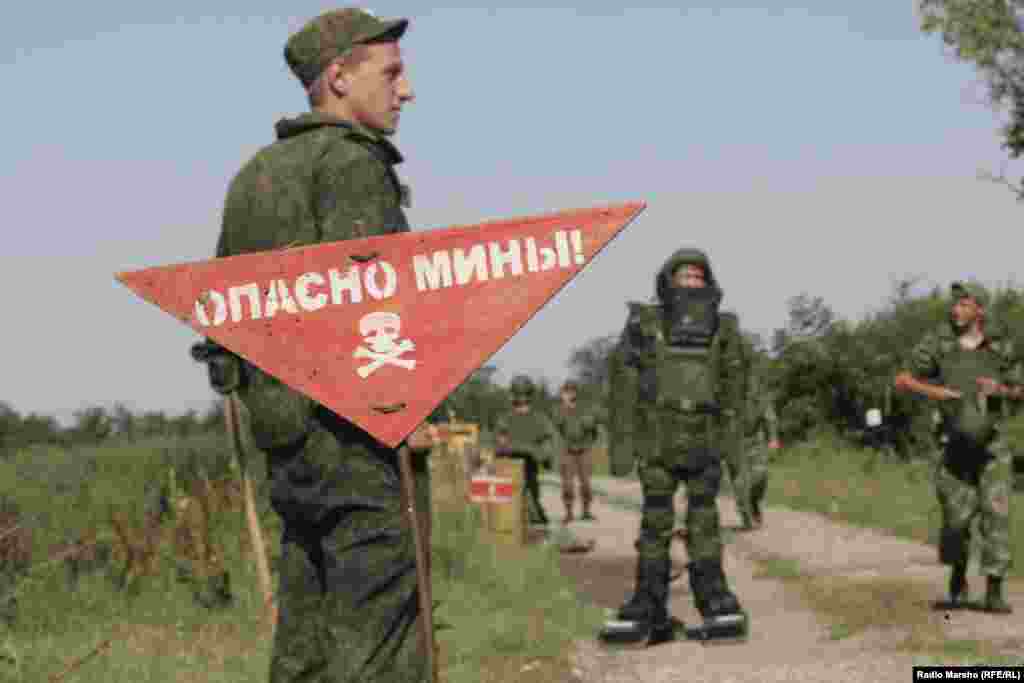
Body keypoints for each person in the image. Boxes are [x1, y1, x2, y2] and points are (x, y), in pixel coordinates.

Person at [192, 9, 440, 681]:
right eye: (390, 72)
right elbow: (372, 310)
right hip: (359, 442)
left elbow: (223, 321)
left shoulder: (255, 176)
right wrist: (407, 411)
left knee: (305, 640)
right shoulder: (351, 164)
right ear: (338, 77)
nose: (406, 89)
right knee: (381, 644)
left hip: (288, 447)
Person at [603, 248, 747, 644]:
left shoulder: (725, 329)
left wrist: (736, 451)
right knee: (655, 526)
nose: (690, 283)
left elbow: (736, 393)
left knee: (704, 523)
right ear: (667, 280)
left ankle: (716, 602)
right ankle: (648, 606)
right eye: (683, 276)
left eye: (697, 276)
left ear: (709, 282)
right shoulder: (643, 325)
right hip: (656, 440)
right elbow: (622, 387)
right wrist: (622, 446)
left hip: (705, 439)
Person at [894, 281, 1021, 614]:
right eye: (954, 304)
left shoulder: (1000, 347)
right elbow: (903, 379)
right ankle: (959, 571)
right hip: (953, 446)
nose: (956, 310)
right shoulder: (938, 343)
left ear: (980, 309)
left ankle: (994, 589)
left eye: (964, 304)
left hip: (993, 445)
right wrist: (936, 393)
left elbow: (1019, 390)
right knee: (956, 520)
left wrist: (1001, 390)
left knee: (997, 515)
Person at [494, 375, 558, 527]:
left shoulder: (539, 419)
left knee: (531, 503)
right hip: (510, 468)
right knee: (513, 506)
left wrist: (541, 455)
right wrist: (525, 449)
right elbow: (500, 444)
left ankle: (533, 525)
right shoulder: (506, 419)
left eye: (524, 395)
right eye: (520, 395)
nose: (522, 399)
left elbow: (548, 444)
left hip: (529, 468)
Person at [716, 311, 756, 530]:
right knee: (738, 471)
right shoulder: (743, 347)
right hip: (733, 419)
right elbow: (750, 382)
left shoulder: (712, 347)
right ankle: (746, 516)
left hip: (713, 420)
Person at [553, 380, 601, 523]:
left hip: (584, 450)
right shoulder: (559, 409)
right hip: (568, 451)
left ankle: (586, 511)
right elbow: (557, 424)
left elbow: (593, 426)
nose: (567, 394)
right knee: (567, 484)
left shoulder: (585, 408)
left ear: (575, 393)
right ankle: (568, 513)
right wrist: (565, 407)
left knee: (586, 483)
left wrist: (589, 441)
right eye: (565, 392)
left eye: (570, 391)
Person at [743, 371, 780, 528]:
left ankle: (754, 501)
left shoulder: (759, 397)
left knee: (761, 476)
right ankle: (747, 514)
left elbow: (770, 418)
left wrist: (773, 439)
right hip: (736, 441)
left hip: (756, 441)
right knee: (742, 482)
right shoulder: (727, 391)